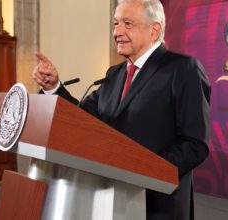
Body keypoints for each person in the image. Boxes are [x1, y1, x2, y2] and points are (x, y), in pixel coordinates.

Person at [32, 0, 210, 219]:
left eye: (127, 24)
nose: (117, 32)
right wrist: (53, 88)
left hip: (158, 205)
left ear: (154, 30)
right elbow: (81, 119)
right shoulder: (114, 74)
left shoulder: (183, 69)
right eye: (115, 24)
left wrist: (145, 170)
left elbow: (194, 144)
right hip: (109, 199)